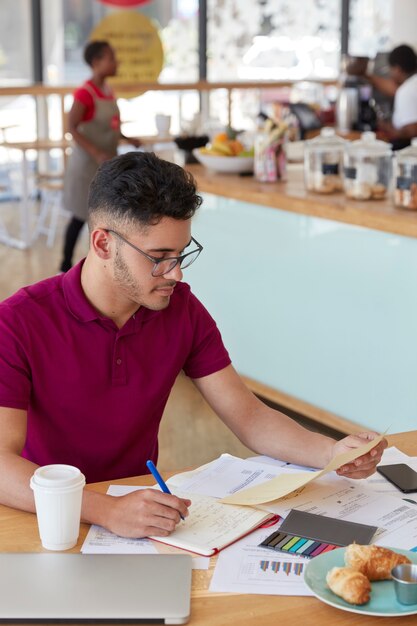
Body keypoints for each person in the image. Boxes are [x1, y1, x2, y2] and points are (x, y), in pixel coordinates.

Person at [0, 152, 387, 539]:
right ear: (103, 244)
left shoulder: (179, 308)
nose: (176, 272)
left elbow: (249, 417)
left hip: (143, 510)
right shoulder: (17, 322)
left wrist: (331, 454)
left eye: (181, 252)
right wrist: (106, 509)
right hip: (45, 516)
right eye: (159, 257)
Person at [59, 40, 140, 273]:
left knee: (103, 218)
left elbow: (108, 126)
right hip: (85, 167)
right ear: (96, 62)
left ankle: (97, 269)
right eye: (111, 57)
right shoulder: (85, 93)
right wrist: (96, 152)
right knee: (79, 216)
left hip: (106, 166)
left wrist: (126, 137)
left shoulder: (107, 91)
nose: (116, 62)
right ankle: (64, 266)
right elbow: (72, 127)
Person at [357, 44, 417, 146]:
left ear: (397, 69)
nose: (390, 73)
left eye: (391, 69)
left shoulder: (405, 91)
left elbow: (412, 131)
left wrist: (386, 127)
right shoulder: (412, 84)